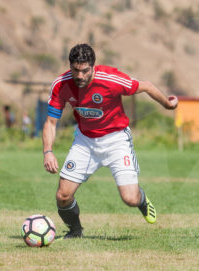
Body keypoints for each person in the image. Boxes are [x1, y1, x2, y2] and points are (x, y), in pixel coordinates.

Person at [43, 43, 178, 239]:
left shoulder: (111, 79)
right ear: (70, 66)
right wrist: (48, 151)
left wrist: (167, 103)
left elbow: (146, 85)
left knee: (129, 199)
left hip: (116, 140)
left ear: (93, 67)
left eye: (85, 70)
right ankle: (75, 230)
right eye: (75, 70)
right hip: (85, 141)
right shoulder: (61, 84)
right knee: (63, 196)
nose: (79, 76)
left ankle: (141, 201)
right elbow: (50, 122)